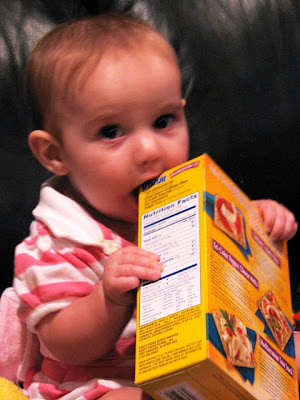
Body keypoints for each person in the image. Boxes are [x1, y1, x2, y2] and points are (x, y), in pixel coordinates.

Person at [13, 14, 298, 400]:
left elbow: (241, 281)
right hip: (104, 382)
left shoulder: (193, 198)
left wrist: (260, 223)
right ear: (54, 152)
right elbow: (63, 345)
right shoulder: (57, 241)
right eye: (111, 131)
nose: (150, 151)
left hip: (209, 360)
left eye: (164, 121)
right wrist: (108, 298)